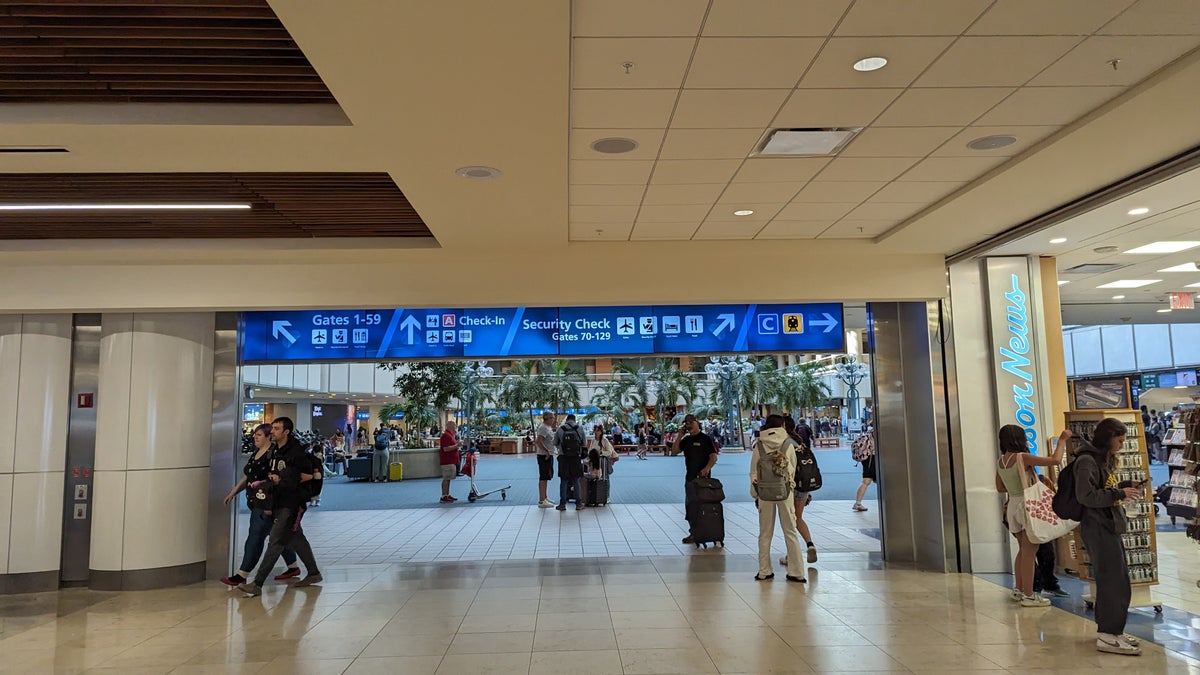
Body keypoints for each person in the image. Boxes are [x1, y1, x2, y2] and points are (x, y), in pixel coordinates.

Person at [1074, 417, 1145, 656]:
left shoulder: (1100, 461)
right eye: (1119, 440)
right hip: (1098, 527)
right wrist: (1118, 493)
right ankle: (1107, 634)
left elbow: (1104, 488)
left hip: (1109, 525)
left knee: (1119, 579)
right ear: (1108, 438)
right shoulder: (1086, 461)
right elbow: (1086, 496)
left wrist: (1124, 486)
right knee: (1111, 581)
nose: (1122, 445)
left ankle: (1114, 630)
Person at [238, 417, 322, 596]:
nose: (273, 432)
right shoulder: (276, 450)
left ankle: (257, 583)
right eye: (273, 428)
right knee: (295, 538)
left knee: (275, 541)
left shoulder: (296, 453)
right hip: (279, 500)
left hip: (292, 503)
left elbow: (308, 476)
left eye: (277, 429)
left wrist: (283, 479)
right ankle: (313, 573)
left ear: (286, 432)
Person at [995, 424, 1068, 608]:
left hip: (1013, 506)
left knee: (1022, 550)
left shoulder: (1001, 461)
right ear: (1019, 439)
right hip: (1027, 506)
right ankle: (1029, 595)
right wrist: (1062, 440)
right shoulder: (1023, 457)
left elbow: (1000, 487)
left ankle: (1019, 589)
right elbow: (1055, 460)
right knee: (1030, 552)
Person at [220, 423, 300, 586]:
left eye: (259, 435)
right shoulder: (256, 453)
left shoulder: (273, 455)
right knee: (278, 535)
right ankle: (293, 566)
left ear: (268, 437)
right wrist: (234, 491)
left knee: (255, 536)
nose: (255, 437)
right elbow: (248, 476)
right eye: (255, 434)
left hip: (268, 504)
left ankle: (242, 574)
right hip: (256, 501)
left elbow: (278, 477)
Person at [751, 415, 805, 582]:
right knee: (790, 531)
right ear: (782, 425)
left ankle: (764, 571)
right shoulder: (788, 444)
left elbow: (753, 473)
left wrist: (756, 494)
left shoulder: (759, 445)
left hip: (765, 494)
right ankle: (796, 572)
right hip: (785, 492)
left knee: (765, 533)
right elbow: (792, 470)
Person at [779, 416, 818, 566]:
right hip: (804, 486)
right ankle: (810, 544)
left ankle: (791, 555)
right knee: (798, 518)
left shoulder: (785, 443)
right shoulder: (799, 442)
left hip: (791, 485)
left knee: (790, 522)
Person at [674, 413, 717, 545]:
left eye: (691, 423)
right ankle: (694, 532)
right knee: (691, 506)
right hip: (690, 479)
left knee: (704, 506)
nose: (689, 425)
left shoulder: (705, 439)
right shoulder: (686, 440)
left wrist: (707, 468)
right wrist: (680, 435)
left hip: (704, 480)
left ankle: (707, 532)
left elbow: (713, 456)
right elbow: (674, 451)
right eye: (687, 423)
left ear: (697, 423)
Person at [555, 414, 586, 511]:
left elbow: (555, 442)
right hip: (576, 458)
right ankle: (578, 504)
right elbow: (584, 443)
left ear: (567, 419)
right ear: (574, 419)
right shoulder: (579, 428)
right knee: (576, 480)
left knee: (563, 481)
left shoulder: (560, 429)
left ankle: (562, 504)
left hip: (563, 458)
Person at [534, 412, 557, 508]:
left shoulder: (547, 427)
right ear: (547, 418)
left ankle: (545, 497)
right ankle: (541, 500)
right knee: (543, 477)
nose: (554, 420)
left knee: (547, 476)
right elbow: (538, 441)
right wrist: (546, 451)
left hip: (548, 455)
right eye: (552, 418)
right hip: (544, 456)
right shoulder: (543, 427)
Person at [852, 430, 876, 512]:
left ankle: (858, 503)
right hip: (873, 459)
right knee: (867, 481)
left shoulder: (868, 433)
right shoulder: (878, 433)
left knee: (866, 481)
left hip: (866, 458)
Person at [439, 421, 461, 503]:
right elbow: (446, 448)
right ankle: (444, 495)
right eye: (455, 426)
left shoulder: (451, 435)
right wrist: (457, 445)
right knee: (446, 478)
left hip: (451, 460)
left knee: (448, 478)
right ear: (451, 427)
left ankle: (447, 494)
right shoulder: (446, 436)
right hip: (447, 461)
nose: (456, 428)